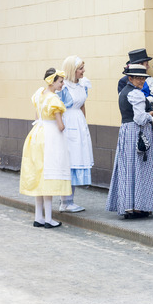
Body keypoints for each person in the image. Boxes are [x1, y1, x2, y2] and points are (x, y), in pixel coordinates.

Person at [107, 64, 153, 219]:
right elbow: (139, 118)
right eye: (138, 78)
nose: (141, 81)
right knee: (140, 169)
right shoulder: (136, 94)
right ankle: (139, 206)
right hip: (137, 132)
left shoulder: (124, 92)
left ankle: (129, 205)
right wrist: (151, 116)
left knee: (128, 168)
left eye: (143, 78)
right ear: (130, 78)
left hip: (126, 132)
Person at [20, 68, 72, 229]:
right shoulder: (54, 99)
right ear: (52, 82)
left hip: (36, 135)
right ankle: (48, 218)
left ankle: (38, 217)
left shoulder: (38, 94)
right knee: (48, 175)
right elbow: (61, 125)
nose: (63, 84)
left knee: (39, 175)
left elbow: (37, 117)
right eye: (60, 81)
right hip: (50, 137)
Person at [57, 55, 94, 213]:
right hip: (68, 123)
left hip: (79, 124)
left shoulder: (83, 84)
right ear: (73, 70)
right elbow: (57, 109)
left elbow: (82, 105)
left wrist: (84, 124)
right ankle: (65, 201)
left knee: (77, 159)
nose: (83, 71)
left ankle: (69, 200)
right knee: (69, 161)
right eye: (80, 68)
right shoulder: (63, 87)